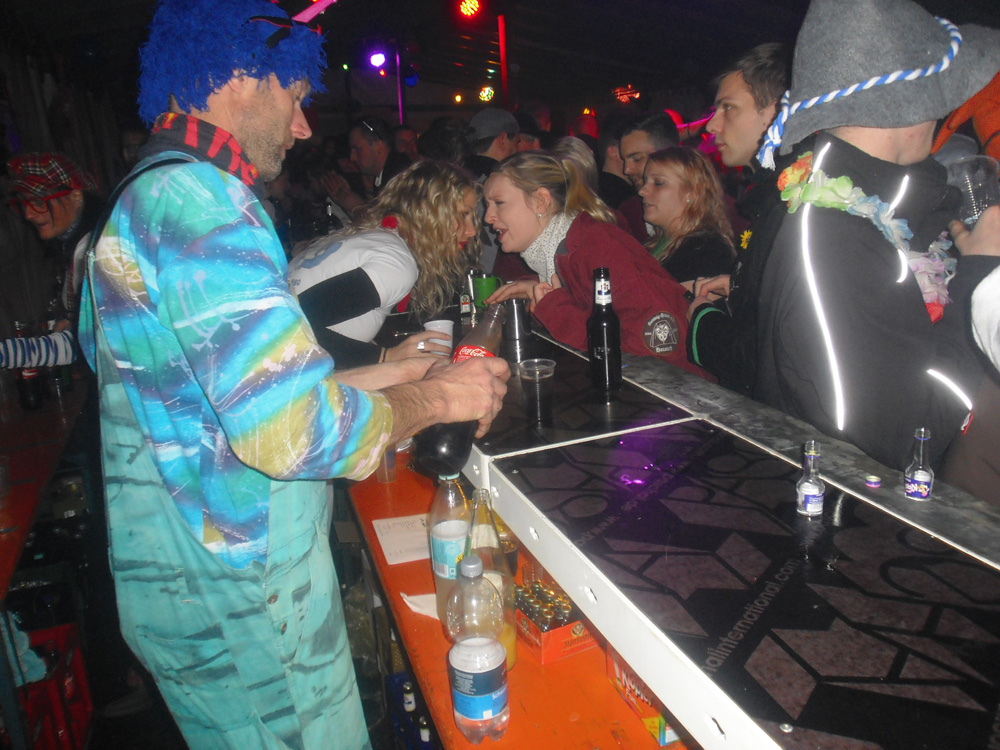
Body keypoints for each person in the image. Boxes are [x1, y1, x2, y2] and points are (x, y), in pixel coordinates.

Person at [77, 2, 508, 748]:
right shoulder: (200, 200)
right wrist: (442, 395)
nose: (304, 127)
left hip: (190, 586)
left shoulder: (142, 193)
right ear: (240, 74)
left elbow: (213, 408)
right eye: (297, 96)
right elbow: (292, 432)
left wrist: (389, 374)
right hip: (247, 599)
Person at [750, 0, 1000, 471]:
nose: (947, 111)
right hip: (861, 512)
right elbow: (906, 439)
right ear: (912, 107)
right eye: (944, 93)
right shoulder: (832, 239)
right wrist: (978, 283)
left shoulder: (898, 208)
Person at [483, 152, 706, 378]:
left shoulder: (595, 246)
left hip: (683, 390)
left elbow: (654, 347)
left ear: (540, 201)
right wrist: (538, 290)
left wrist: (553, 307)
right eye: (487, 205)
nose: (488, 217)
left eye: (499, 203)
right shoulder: (561, 253)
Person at [289, 160, 478, 368]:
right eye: (463, 214)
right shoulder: (395, 263)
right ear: (430, 212)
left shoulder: (376, 239)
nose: (472, 231)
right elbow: (290, 325)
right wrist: (384, 357)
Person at [685, 42, 793, 393]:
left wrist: (702, 318)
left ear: (777, 110)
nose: (711, 125)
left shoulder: (795, 203)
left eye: (728, 108)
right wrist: (742, 286)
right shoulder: (778, 192)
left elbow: (763, 358)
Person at [1, 153, 103, 369]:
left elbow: (92, 344)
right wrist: (72, 322)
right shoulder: (74, 246)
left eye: (38, 201)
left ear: (76, 195)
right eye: (23, 203)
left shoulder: (96, 252)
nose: (28, 214)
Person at [638, 147, 735, 283]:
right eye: (645, 181)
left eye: (658, 183)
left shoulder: (707, 250)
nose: (642, 191)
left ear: (691, 193)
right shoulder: (657, 243)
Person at [347, 116, 411, 199]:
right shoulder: (387, 174)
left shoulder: (399, 179)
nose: (352, 157)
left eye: (357, 149)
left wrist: (355, 204)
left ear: (378, 146)